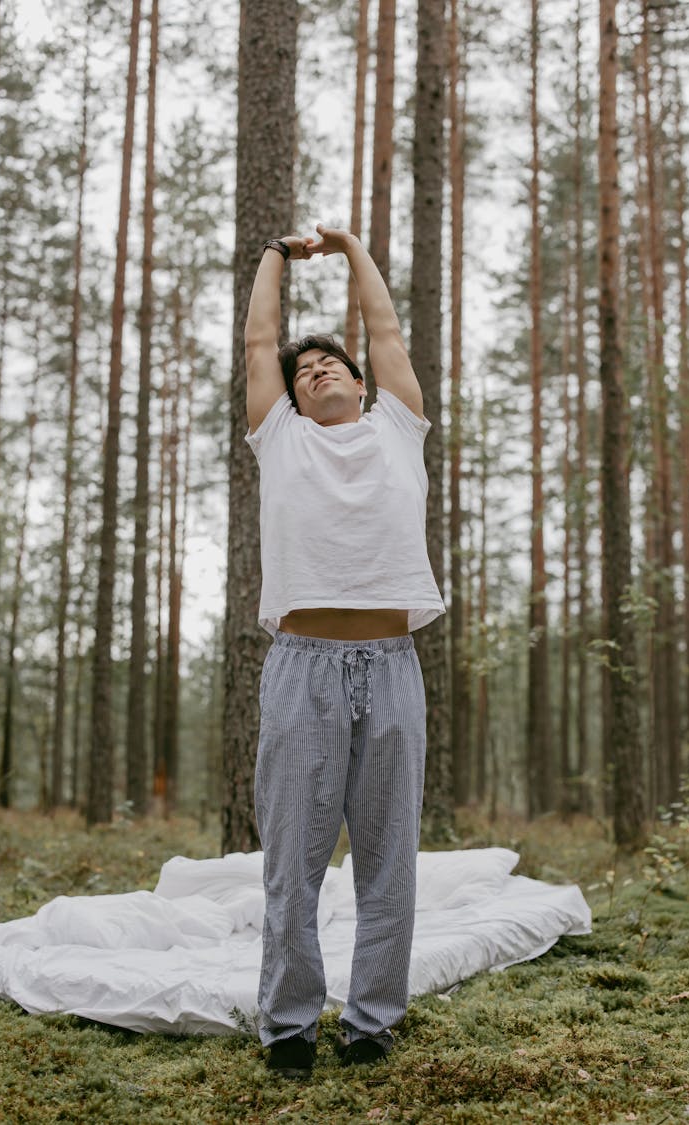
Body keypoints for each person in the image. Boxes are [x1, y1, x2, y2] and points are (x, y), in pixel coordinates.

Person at [244, 224, 445, 1079]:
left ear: (364, 384)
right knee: (293, 858)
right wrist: (279, 257)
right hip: (304, 667)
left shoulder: (398, 426)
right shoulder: (280, 438)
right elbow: (259, 338)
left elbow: (388, 328)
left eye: (332, 363)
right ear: (288, 398)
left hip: (392, 667)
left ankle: (372, 1022)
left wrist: (354, 246)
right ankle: (289, 1025)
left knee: (389, 858)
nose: (316, 369)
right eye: (303, 370)